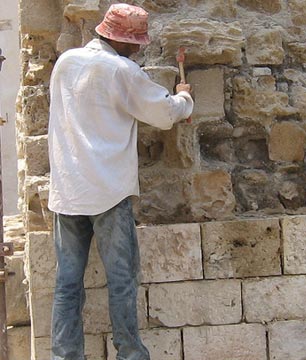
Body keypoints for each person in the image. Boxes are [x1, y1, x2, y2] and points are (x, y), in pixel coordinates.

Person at [47, 4, 193, 359]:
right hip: (109, 192)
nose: (141, 48)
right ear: (124, 41)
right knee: (122, 282)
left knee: (67, 285)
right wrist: (185, 97)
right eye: (137, 42)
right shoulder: (121, 70)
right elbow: (163, 113)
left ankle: (65, 355)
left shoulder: (65, 63)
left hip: (67, 191)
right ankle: (129, 354)